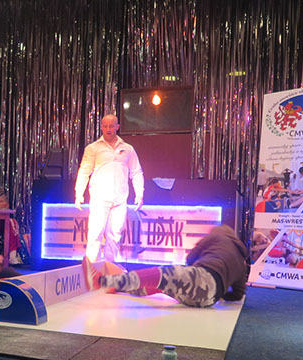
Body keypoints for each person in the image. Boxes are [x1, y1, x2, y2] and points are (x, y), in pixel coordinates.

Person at [83, 225, 248, 308]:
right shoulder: (241, 262)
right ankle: (118, 287)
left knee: (159, 274)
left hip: (203, 278)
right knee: (162, 284)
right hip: (209, 299)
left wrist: (195, 267)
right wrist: (222, 293)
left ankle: (101, 281)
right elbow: (238, 294)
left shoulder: (218, 237)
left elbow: (191, 257)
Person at [75, 114, 144, 263]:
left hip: (119, 199)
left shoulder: (127, 148)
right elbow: (84, 171)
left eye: (111, 126)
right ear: (101, 127)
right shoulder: (93, 148)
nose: (108, 129)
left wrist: (139, 194)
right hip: (100, 198)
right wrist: (79, 193)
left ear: (117, 127)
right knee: (95, 234)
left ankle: (109, 270)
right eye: (105, 126)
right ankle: (92, 270)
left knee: (114, 236)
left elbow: (136, 172)